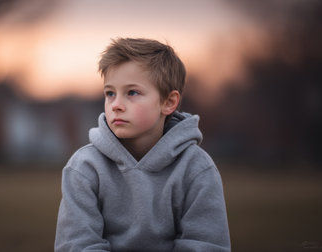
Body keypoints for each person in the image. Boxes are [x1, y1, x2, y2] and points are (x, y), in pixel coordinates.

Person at [54, 38, 231, 251]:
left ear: (168, 102)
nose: (116, 105)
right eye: (110, 93)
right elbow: (77, 245)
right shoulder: (84, 167)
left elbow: (206, 245)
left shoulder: (197, 169)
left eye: (132, 93)